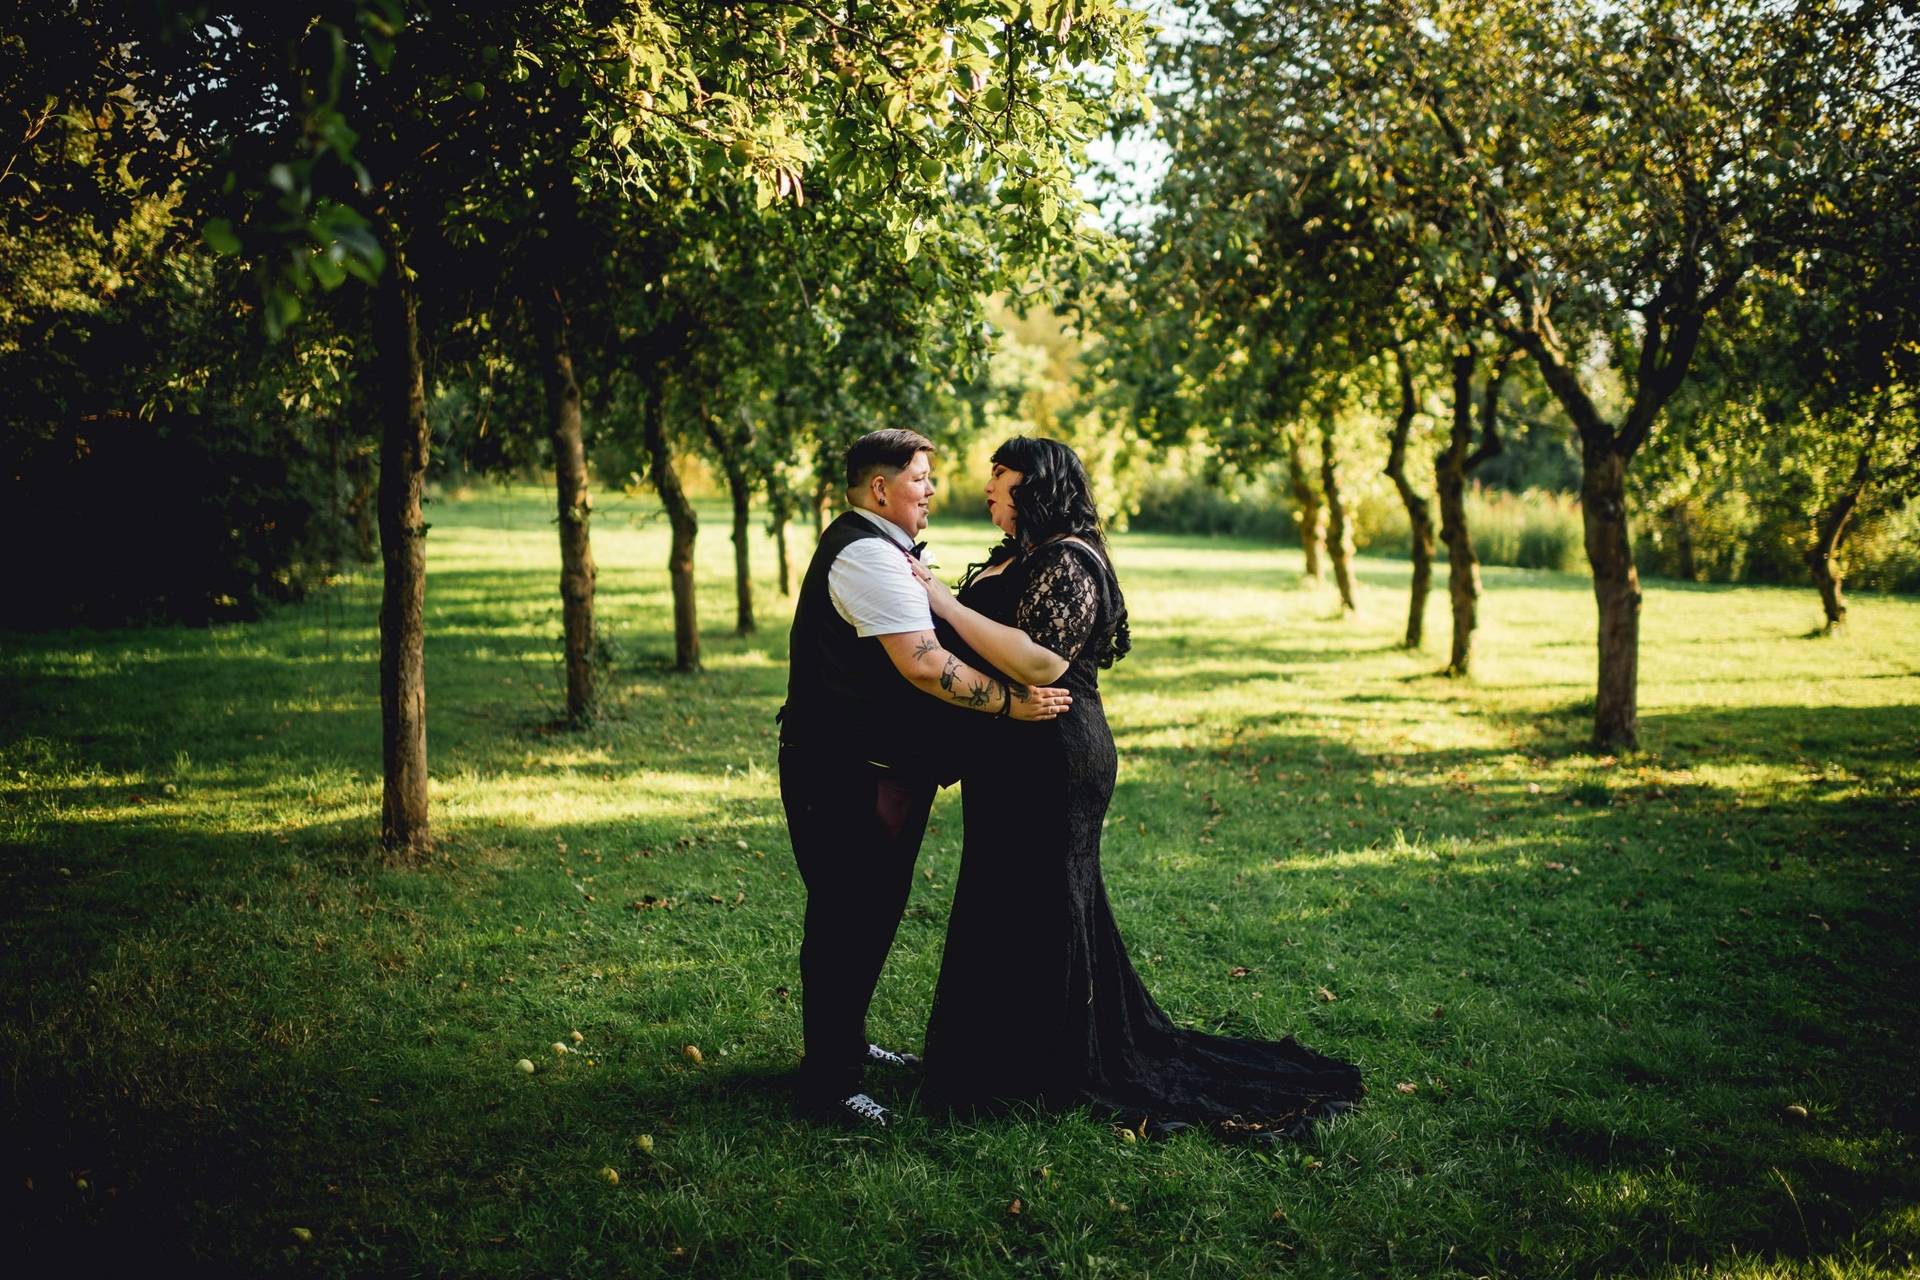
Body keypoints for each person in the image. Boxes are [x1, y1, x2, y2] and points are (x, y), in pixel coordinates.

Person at [908, 436, 1363, 1142]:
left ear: (1039, 483)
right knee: (1003, 891)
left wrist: (940, 597)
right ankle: (997, 1058)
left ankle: (1046, 1065)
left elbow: (1041, 659)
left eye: (1001, 476)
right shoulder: (1021, 556)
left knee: (1044, 896)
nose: (988, 488)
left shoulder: (1069, 559)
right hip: (1011, 751)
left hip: (1055, 754)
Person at [776, 428, 1072, 1129]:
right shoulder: (869, 557)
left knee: (869, 916)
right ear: (880, 489)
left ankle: (844, 1046)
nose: (933, 491)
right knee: (847, 920)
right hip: (844, 774)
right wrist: (1011, 703)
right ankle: (829, 1085)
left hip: (879, 772)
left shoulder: (878, 547)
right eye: (920, 478)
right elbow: (922, 663)